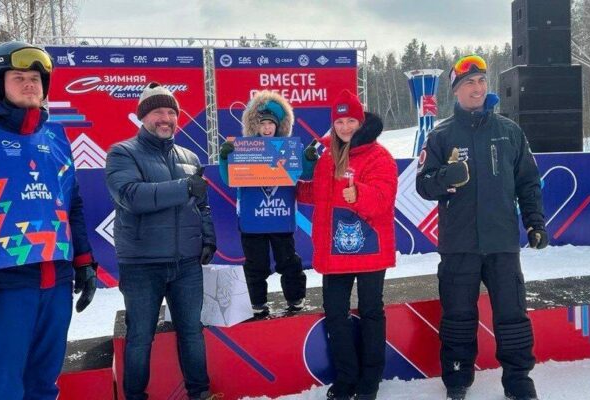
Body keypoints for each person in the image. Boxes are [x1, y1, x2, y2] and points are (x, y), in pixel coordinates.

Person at [0, 41, 98, 400]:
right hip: (5, 286)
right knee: (3, 387)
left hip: (55, 283)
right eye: (19, 77)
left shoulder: (56, 138)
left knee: (44, 383)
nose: (30, 85)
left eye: (37, 79)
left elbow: (71, 205)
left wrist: (84, 261)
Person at [416, 55, 547, 400]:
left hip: (502, 242)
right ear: (457, 90)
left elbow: (529, 183)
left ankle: (519, 379)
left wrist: (535, 223)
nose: (477, 88)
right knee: (458, 315)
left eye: (481, 82)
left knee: (512, 314)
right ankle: (457, 378)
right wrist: (446, 177)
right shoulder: (441, 135)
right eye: (469, 83)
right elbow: (423, 185)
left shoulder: (509, 131)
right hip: (459, 244)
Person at [105, 82, 217, 400]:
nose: (165, 117)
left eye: (171, 111)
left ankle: (200, 393)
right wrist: (184, 187)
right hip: (142, 265)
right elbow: (131, 196)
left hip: (186, 263)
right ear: (143, 116)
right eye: (157, 111)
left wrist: (207, 238)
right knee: (140, 336)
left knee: (192, 332)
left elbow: (202, 205)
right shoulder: (122, 152)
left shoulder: (190, 155)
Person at [297, 89, 397, 400]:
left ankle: (370, 379)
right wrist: (301, 174)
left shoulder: (380, 156)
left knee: (370, 312)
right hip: (333, 251)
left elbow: (381, 201)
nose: (344, 126)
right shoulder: (325, 153)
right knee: (335, 314)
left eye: (351, 120)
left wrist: (359, 193)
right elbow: (313, 197)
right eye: (339, 120)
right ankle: (346, 377)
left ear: (361, 120)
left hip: (369, 251)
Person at [218, 90, 307, 317]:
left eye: (271, 124)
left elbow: (304, 173)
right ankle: (257, 302)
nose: (267, 128)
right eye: (263, 123)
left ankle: (296, 298)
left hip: (280, 219)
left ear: (279, 126)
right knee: (256, 265)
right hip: (253, 221)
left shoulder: (288, 148)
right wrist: (225, 158)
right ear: (254, 125)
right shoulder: (244, 149)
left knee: (288, 262)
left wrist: (309, 160)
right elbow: (229, 178)